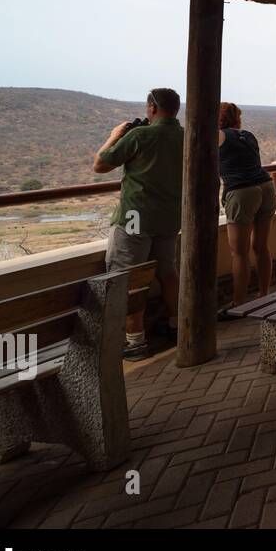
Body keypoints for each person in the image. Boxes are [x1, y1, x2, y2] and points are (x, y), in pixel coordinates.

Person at [93, 88, 183, 361]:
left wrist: (114, 135)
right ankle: (178, 326)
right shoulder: (184, 135)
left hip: (134, 219)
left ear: (152, 108)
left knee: (127, 279)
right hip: (169, 218)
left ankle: (135, 342)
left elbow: (100, 165)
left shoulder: (140, 135)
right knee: (167, 273)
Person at [218, 103, 276, 315]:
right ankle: (264, 294)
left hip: (242, 192)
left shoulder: (218, 135)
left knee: (239, 253)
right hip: (266, 187)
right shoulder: (248, 135)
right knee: (261, 247)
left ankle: (239, 303)